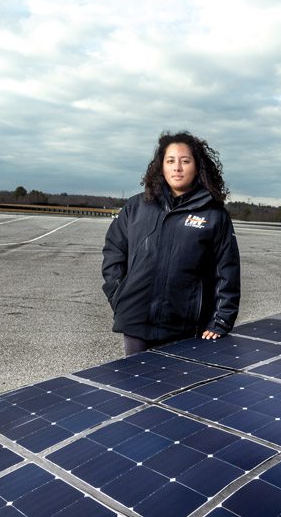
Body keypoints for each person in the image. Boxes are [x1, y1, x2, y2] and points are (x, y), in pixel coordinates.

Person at [102, 131, 241, 356]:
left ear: (197, 167)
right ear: (161, 166)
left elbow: (227, 271)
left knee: (179, 388)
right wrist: (119, 296)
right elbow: (113, 253)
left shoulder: (214, 215)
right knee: (137, 387)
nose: (177, 167)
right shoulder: (136, 207)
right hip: (137, 322)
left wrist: (222, 319)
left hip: (186, 326)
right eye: (170, 161)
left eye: (185, 161)